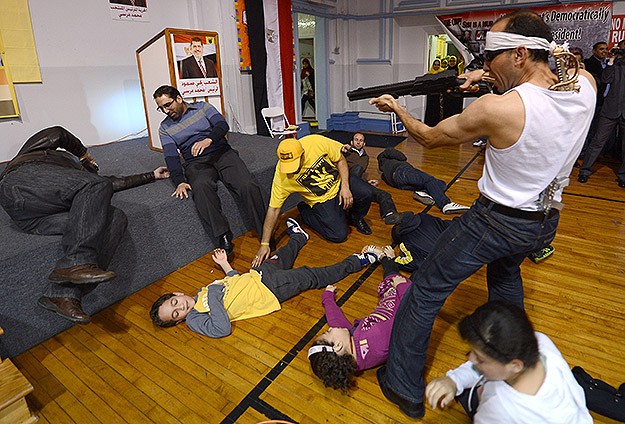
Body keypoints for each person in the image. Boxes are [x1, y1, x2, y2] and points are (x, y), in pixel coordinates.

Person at [369, 10, 596, 418]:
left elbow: (429, 137)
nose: (484, 64)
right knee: (506, 275)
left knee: (425, 289)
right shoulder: (584, 86)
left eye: (490, 56)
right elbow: (549, 74)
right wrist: (491, 79)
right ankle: (516, 358)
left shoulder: (498, 109)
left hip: (495, 221)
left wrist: (397, 108)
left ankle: (402, 386)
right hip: (542, 223)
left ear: (520, 54)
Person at [0, 126, 169, 323]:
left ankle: (62, 294)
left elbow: (112, 183)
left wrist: (151, 175)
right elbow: (57, 133)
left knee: (116, 217)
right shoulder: (33, 154)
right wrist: (81, 152)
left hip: (37, 219)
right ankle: (78, 261)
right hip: (21, 184)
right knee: (96, 185)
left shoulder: (84, 182)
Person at [150, 219, 382, 337]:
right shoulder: (195, 319)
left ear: (177, 294)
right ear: (180, 321)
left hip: (257, 276)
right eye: (176, 314)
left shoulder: (201, 292)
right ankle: (360, 261)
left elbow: (232, 283)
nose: (180, 308)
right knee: (311, 275)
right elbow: (222, 328)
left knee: (283, 255)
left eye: (174, 303)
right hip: (268, 289)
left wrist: (225, 266)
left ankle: (299, 238)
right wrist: (214, 291)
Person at [425, 301, 592, 423]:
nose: (470, 359)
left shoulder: (499, 411)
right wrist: (454, 380)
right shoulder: (540, 343)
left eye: (480, 359)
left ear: (515, 365)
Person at [153, 85, 266, 255]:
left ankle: (265, 231)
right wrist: (180, 181)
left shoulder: (203, 107)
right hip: (196, 163)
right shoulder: (165, 128)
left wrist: (209, 140)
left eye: (167, 105)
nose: (165, 110)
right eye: (161, 108)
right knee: (201, 188)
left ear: (178, 98)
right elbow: (171, 157)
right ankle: (223, 236)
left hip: (221, 153)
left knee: (247, 184)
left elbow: (222, 125)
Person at [252, 135, 374, 266]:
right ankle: (305, 212)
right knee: (338, 235)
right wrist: (264, 243)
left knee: (367, 193)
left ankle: (355, 217)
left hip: (339, 182)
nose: (292, 170)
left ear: (303, 153)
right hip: (320, 200)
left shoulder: (315, 142)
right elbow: (274, 209)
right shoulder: (281, 177)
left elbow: (340, 160)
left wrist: (345, 186)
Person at [308, 246, 411, 391]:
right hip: (402, 301)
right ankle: (388, 258)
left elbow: (337, 323)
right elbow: (411, 313)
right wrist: (401, 286)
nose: (330, 328)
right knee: (393, 278)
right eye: (328, 333)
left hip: (387, 308)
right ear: (337, 345)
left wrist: (328, 298)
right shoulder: (377, 339)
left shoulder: (352, 357)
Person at [578, 42, 625, 186]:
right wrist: (611, 62)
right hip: (610, 110)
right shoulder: (615, 65)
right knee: (598, 141)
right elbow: (606, 79)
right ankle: (584, 171)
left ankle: (623, 176)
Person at [377, 148, 470, 214]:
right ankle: (445, 204)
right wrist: (387, 151)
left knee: (440, 183)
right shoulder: (384, 155)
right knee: (430, 180)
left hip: (399, 183)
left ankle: (422, 193)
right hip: (402, 170)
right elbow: (402, 157)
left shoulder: (383, 171)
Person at [341, 132, 405, 225]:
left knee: (384, 194)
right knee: (357, 169)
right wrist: (343, 148)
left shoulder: (366, 157)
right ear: (351, 142)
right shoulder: (346, 152)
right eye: (356, 140)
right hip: (348, 182)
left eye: (361, 140)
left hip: (361, 185)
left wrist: (367, 182)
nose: (358, 142)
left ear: (364, 144)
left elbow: (361, 173)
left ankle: (389, 214)